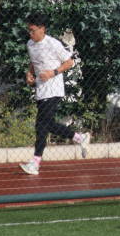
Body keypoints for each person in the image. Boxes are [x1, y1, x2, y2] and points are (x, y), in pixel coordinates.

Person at [20, 15, 91, 176]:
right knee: (47, 125)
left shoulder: (53, 43)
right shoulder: (30, 44)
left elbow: (69, 62)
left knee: (41, 125)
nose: (30, 33)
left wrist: (52, 73)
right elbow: (33, 62)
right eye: (29, 30)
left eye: (33, 30)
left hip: (54, 90)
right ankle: (80, 138)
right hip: (41, 90)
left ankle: (35, 164)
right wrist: (29, 74)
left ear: (42, 29)